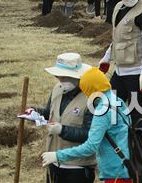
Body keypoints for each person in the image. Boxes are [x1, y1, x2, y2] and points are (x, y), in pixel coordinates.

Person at [40, 66, 130, 183]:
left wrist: (58, 156)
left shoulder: (102, 110)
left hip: (114, 171)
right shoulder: (117, 100)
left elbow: (90, 146)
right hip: (127, 165)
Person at [98, 0, 142, 132]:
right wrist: (106, 58)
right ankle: (121, 145)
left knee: (137, 114)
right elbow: (118, 36)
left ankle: (140, 152)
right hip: (120, 70)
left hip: (138, 72)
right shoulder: (118, 7)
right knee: (111, 109)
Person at [31, 53, 96, 183]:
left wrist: (62, 130)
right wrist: (35, 112)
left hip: (77, 166)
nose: (61, 79)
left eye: (65, 77)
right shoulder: (57, 89)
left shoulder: (92, 98)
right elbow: (49, 112)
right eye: (59, 76)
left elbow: (90, 135)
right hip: (53, 160)